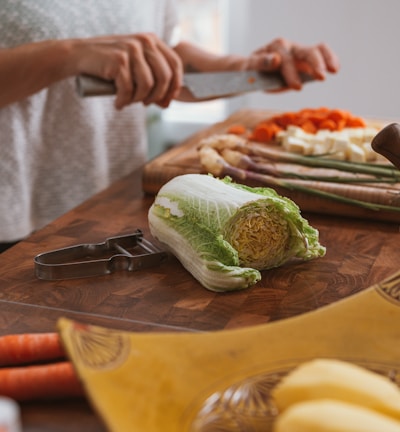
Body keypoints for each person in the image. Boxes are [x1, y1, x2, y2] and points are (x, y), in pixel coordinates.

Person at [0, 0, 340, 252]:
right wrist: (67, 54)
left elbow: (162, 61)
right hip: (10, 224)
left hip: (106, 209)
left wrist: (249, 68)